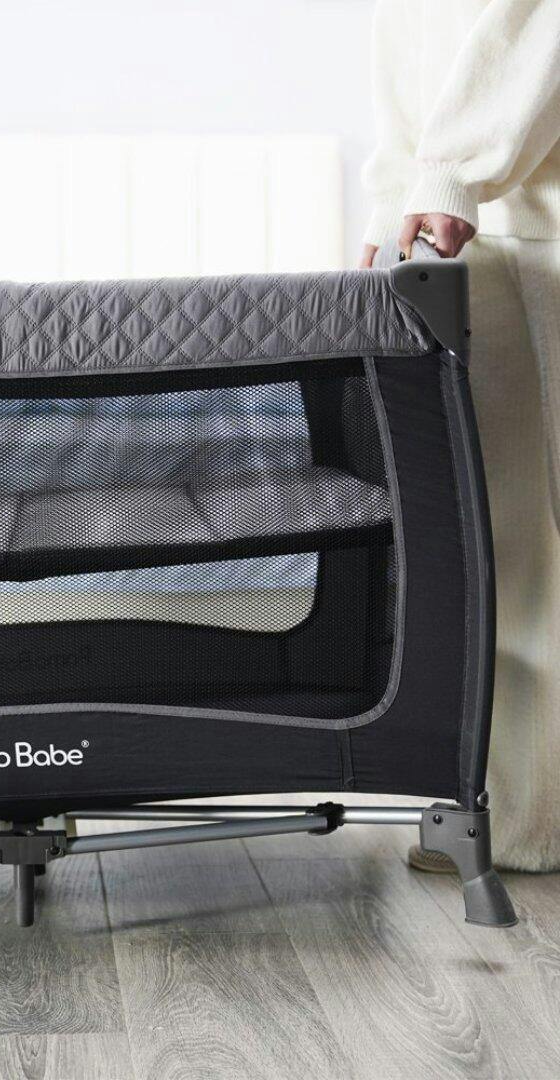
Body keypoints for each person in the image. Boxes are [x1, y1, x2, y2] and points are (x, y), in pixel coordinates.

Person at [360, 0, 560, 871]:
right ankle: (520, 816)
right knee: (500, 541)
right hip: (469, 228)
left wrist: (448, 176)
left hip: (516, 217)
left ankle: (526, 818)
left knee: (526, 538)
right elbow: (407, 60)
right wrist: (394, 206)